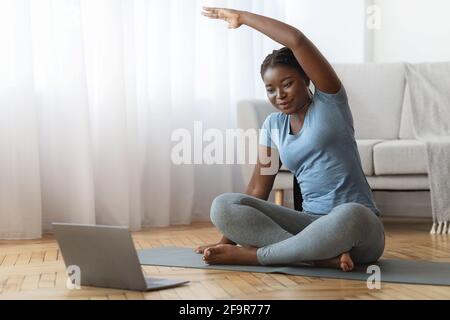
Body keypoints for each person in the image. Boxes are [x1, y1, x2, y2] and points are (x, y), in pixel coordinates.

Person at [195, 7, 385, 272]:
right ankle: (317, 258)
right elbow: (256, 191)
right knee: (224, 205)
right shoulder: (273, 126)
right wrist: (225, 241)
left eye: (287, 84)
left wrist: (244, 18)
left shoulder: (330, 102)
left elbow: (297, 40)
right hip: (309, 224)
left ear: (306, 78)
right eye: (270, 89)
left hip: (357, 229)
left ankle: (257, 256)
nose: (279, 95)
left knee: (351, 213)